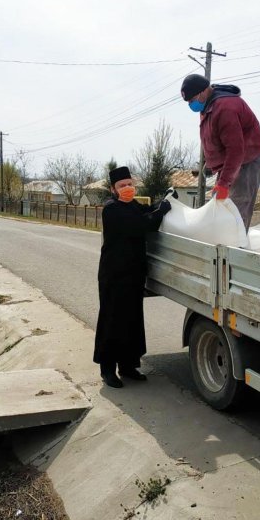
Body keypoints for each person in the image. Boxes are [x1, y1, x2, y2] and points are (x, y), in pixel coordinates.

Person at [93, 165, 171, 388]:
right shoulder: (112, 210)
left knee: (131, 321)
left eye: (129, 184)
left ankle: (128, 366)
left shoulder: (134, 205)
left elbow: (147, 211)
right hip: (114, 276)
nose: (127, 188)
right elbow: (143, 224)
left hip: (134, 275)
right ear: (113, 189)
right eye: (121, 186)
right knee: (112, 321)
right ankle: (107, 370)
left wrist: (165, 201)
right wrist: (161, 211)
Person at [181, 74, 260, 230]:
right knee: (219, 205)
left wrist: (224, 183)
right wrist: (209, 163)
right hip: (229, 162)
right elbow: (212, 138)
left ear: (203, 91)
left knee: (236, 209)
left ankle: (236, 248)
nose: (191, 104)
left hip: (246, 161)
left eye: (192, 100)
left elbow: (236, 150)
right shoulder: (207, 106)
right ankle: (221, 245)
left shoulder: (226, 108)